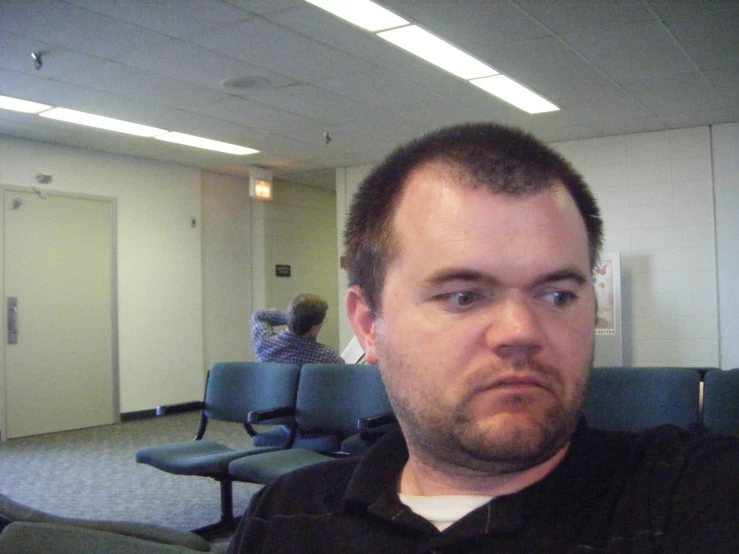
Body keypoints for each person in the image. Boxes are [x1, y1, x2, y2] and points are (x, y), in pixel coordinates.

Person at [229, 123, 739, 553]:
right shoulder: (284, 519)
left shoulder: (693, 496)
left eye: (558, 295)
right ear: (367, 324)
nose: (522, 332)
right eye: (463, 297)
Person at [251, 293, 343, 365]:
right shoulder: (326, 357)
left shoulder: (264, 344)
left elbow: (259, 316)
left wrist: (294, 317)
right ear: (314, 328)